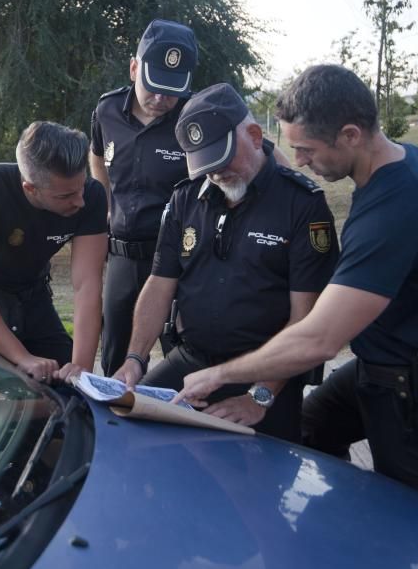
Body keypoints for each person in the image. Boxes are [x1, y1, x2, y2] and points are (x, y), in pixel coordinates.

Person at [174, 65, 418, 518]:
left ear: (350, 135)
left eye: (305, 150)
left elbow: (318, 338)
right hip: (379, 365)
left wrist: (219, 376)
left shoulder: (394, 209)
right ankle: (338, 524)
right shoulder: (410, 162)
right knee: (307, 430)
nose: (298, 160)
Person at [113, 84, 339, 442]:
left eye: (222, 159)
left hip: (266, 373)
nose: (215, 174)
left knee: (258, 480)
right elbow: (159, 283)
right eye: (205, 164)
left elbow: (305, 319)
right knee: (123, 426)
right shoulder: (186, 198)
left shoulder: (302, 205)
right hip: (191, 362)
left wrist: (259, 396)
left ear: (253, 135)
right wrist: (135, 359)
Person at [0, 121, 108, 384]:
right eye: (66, 195)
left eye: (81, 187)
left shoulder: (92, 196)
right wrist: (22, 357)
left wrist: (81, 368)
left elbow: (87, 285)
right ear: (30, 188)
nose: (79, 201)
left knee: (69, 389)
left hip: (34, 297)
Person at [89, 19, 197, 377]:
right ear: (134, 68)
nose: (162, 99)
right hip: (122, 256)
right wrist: (105, 207)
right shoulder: (106, 110)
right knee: (117, 363)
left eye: (172, 90)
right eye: (153, 87)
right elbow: (97, 154)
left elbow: (259, 152)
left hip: (178, 260)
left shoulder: (196, 118)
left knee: (185, 361)